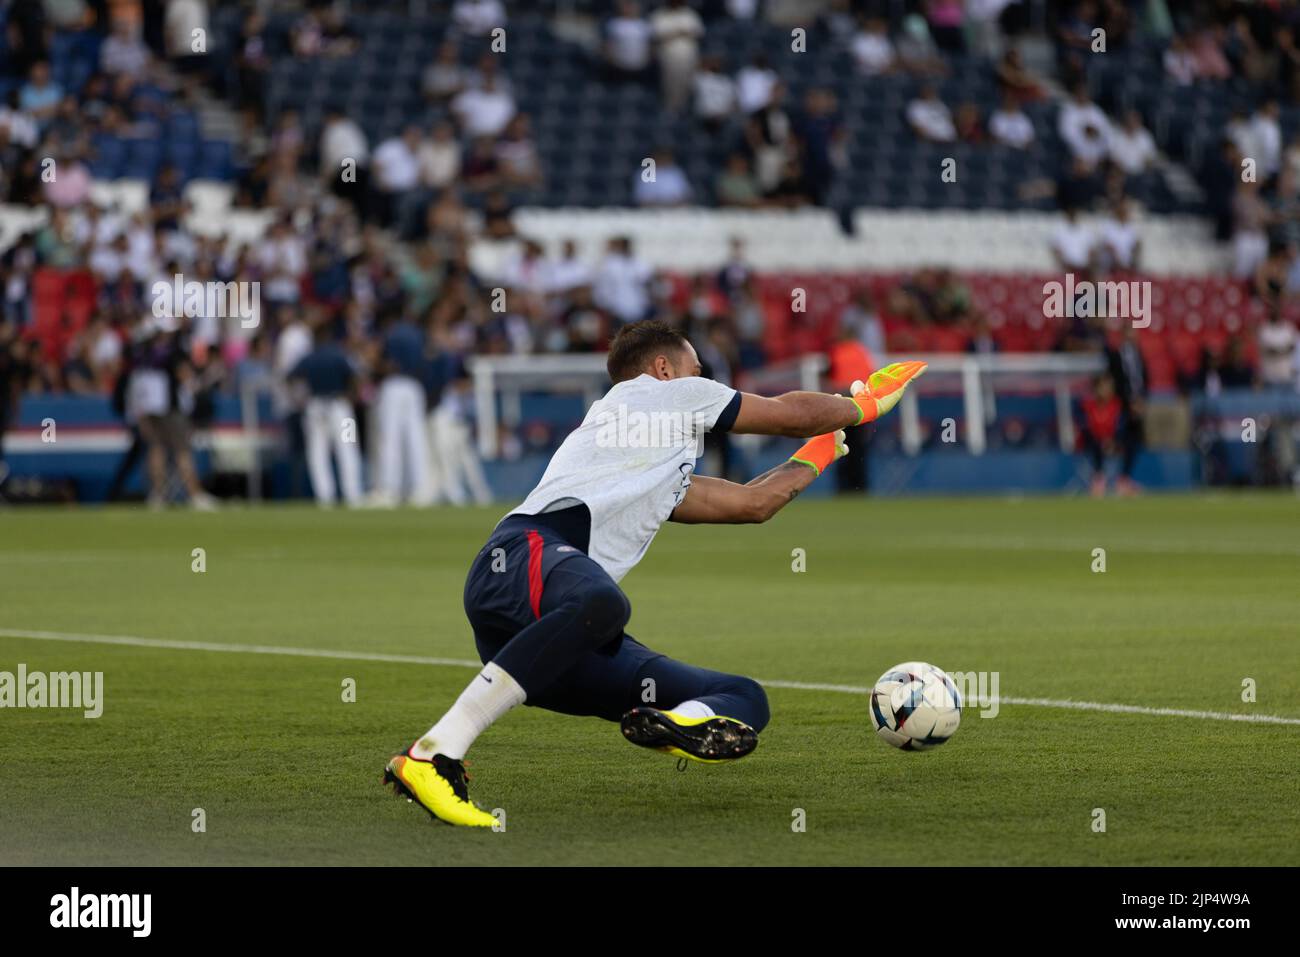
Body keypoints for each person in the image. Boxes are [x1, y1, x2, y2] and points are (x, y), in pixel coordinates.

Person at [383, 320, 926, 826]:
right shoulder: (664, 394)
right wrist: (862, 407)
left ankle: (682, 721)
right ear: (663, 369)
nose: (704, 381)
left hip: (554, 625)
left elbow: (752, 504)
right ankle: (433, 754)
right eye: (697, 370)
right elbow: (786, 414)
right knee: (605, 604)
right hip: (525, 557)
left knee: (743, 697)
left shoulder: (647, 459)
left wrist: (819, 452)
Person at [290, 322, 363, 507]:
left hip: (315, 407)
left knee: (317, 453)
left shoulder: (310, 357)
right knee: (347, 449)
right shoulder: (339, 355)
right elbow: (355, 377)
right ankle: (352, 495)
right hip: (340, 406)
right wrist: (352, 395)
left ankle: (325, 498)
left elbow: (290, 377)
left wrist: (299, 398)